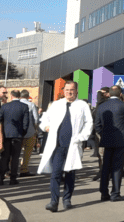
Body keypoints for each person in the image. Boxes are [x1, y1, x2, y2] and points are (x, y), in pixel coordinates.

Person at [38, 81, 94, 212]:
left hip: (73, 145)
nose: (69, 92)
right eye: (67, 90)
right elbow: (45, 118)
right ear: (64, 91)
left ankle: (67, 199)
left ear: (76, 91)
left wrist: (81, 137)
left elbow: (89, 123)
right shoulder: (56, 104)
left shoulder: (82, 105)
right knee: (56, 174)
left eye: (72, 90)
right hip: (57, 146)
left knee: (70, 173)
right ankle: (53, 202)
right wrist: (46, 126)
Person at [94, 86, 124, 203]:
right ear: (120, 94)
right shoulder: (122, 105)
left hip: (107, 140)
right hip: (120, 140)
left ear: (109, 94)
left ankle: (104, 193)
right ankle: (115, 193)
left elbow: (97, 125)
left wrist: (103, 134)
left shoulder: (102, 106)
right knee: (117, 167)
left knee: (106, 167)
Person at [0, 90, 30, 185]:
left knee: (4, 156)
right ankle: (13, 178)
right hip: (18, 135)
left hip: (6, 135)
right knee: (15, 158)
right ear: (19, 96)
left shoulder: (5, 106)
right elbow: (26, 123)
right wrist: (22, 133)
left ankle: (1, 178)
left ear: (11, 96)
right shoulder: (24, 106)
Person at [19, 90, 39, 176]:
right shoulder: (31, 105)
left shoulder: (17, 104)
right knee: (27, 152)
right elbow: (36, 119)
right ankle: (24, 169)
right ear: (28, 97)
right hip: (30, 131)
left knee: (15, 152)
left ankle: (11, 169)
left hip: (18, 133)